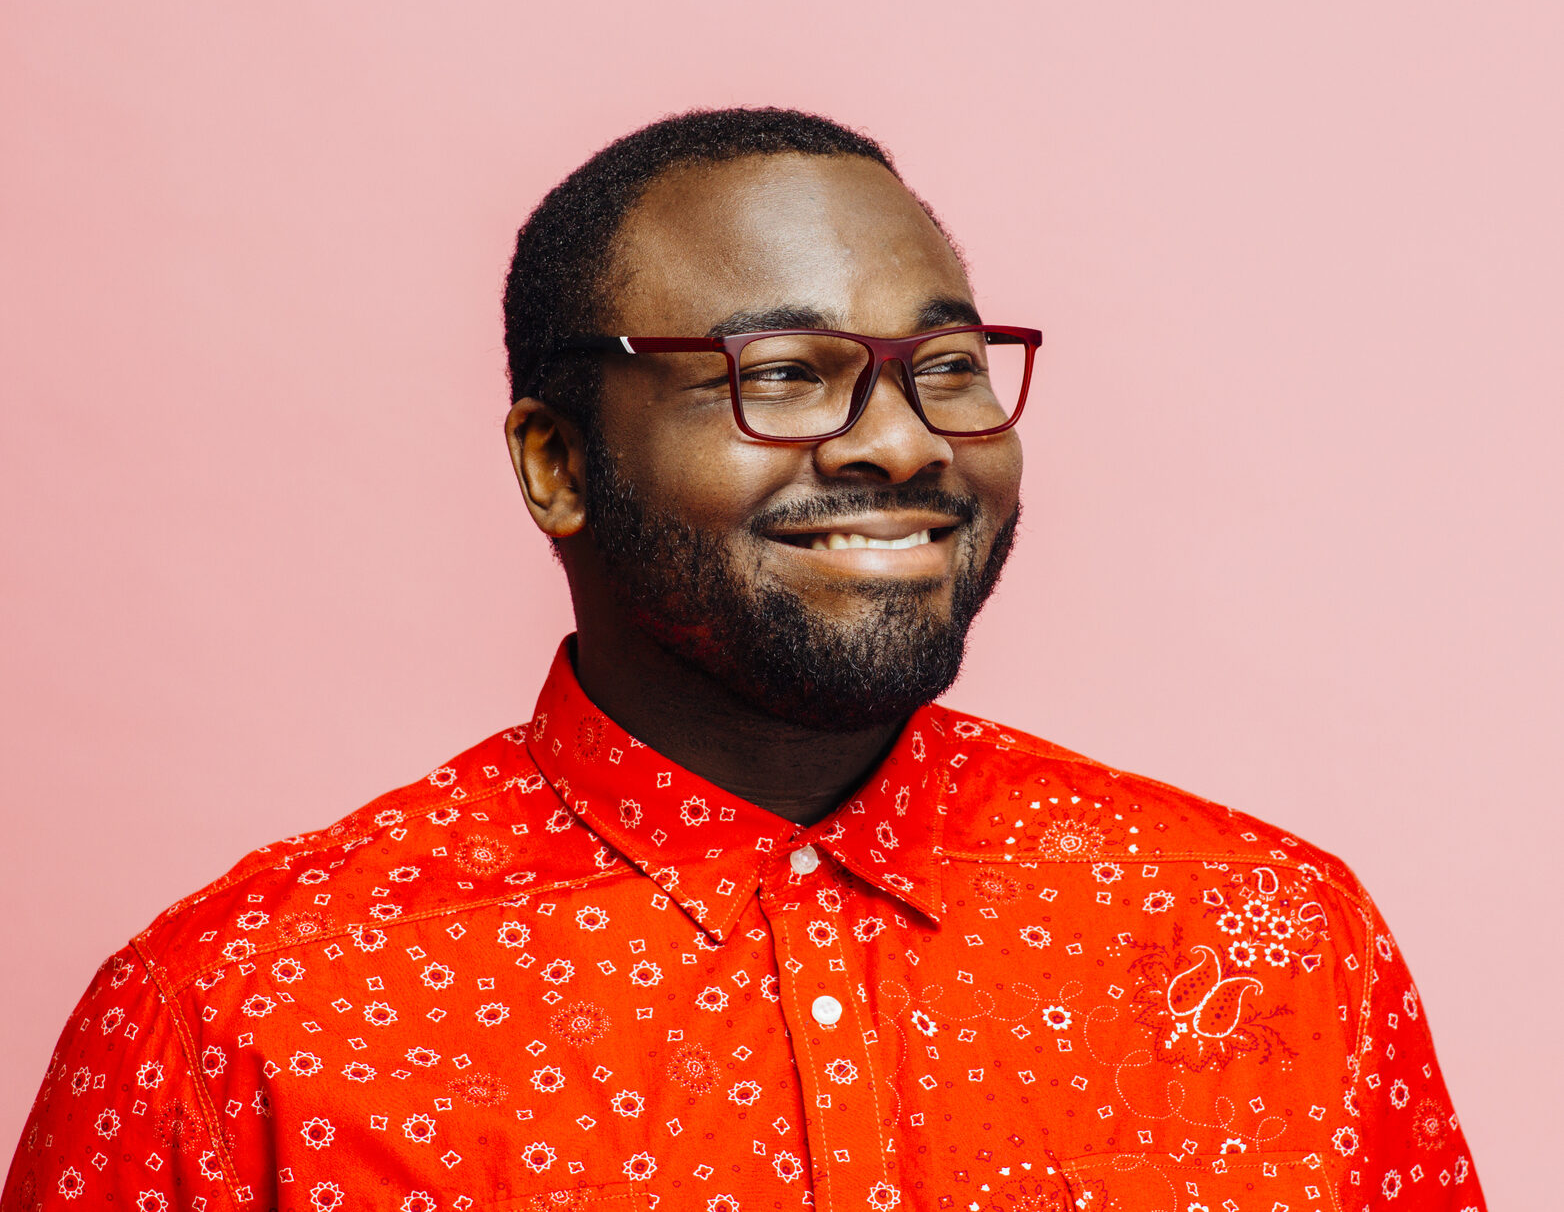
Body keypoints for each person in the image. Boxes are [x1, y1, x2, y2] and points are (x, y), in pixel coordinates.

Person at [3, 108, 1483, 1212]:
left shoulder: (1268, 939)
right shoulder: (234, 1017)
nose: (904, 442)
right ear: (558, 461)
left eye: (949, 368)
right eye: (781, 375)